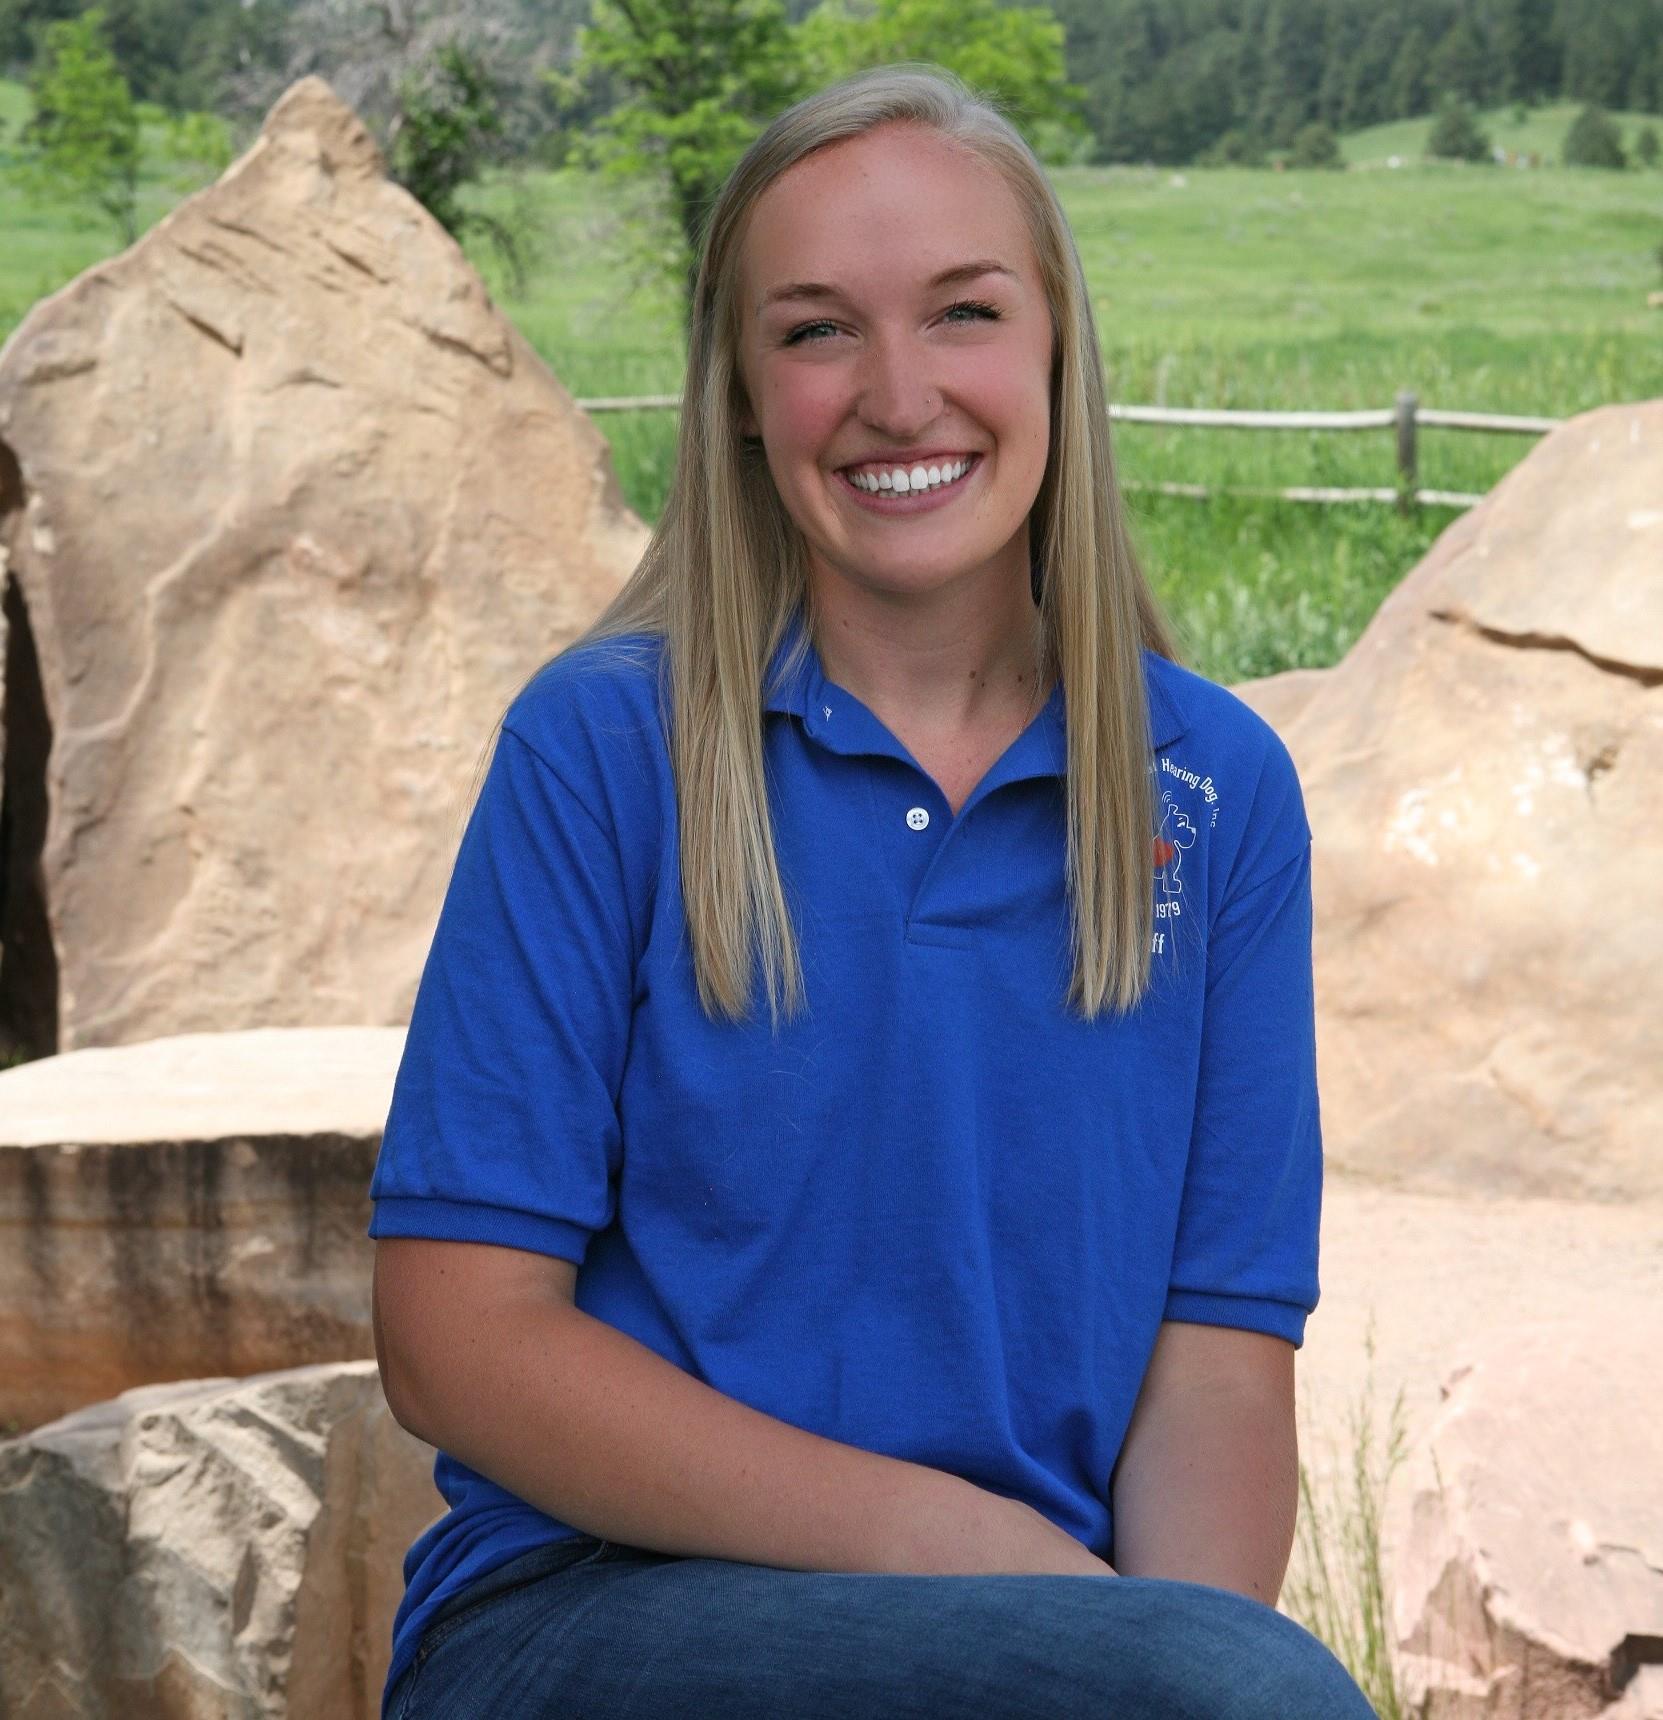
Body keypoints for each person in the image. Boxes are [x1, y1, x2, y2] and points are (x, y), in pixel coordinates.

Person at [367, 63, 1376, 1720]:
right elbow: (455, 1343)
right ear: (743, 392)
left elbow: (1214, 1358)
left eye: (964, 313)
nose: (900, 394)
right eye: (819, 329)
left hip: (1036, 1638)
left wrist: (1157, 1660)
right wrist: (973, 1557)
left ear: (1057, 344)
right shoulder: (606, 748)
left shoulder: (1219, 793)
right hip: (589, 1614)